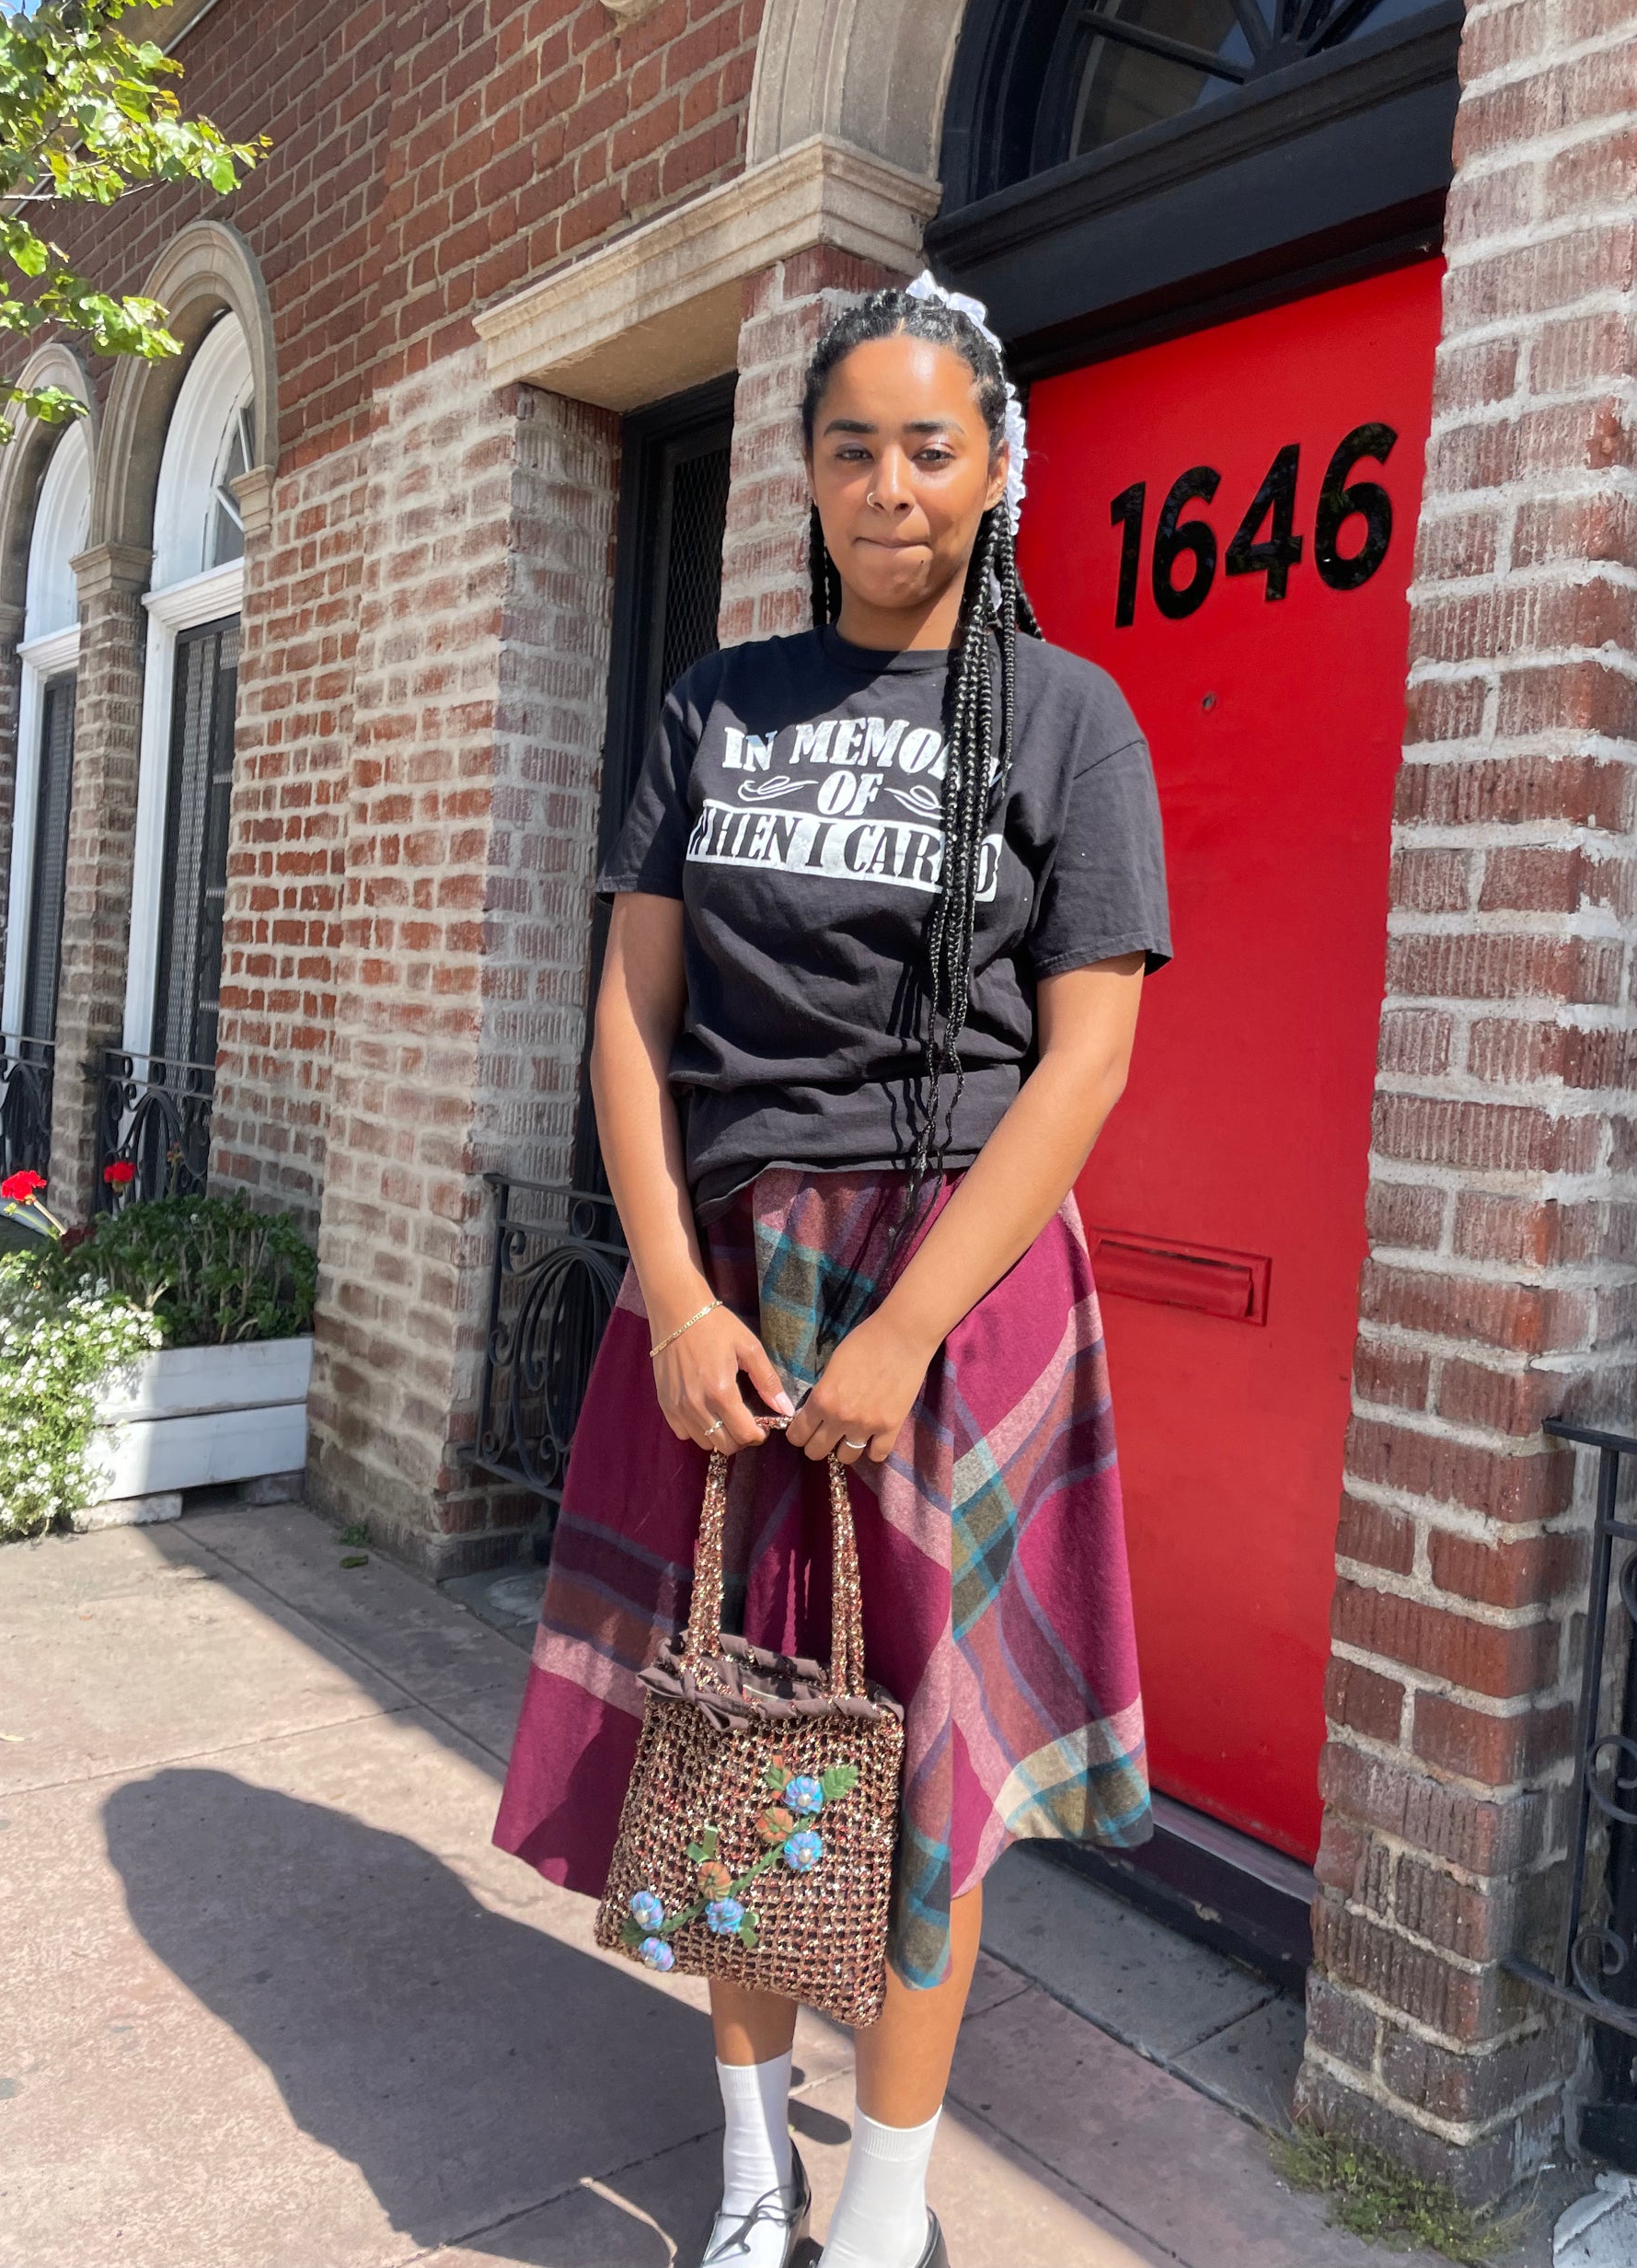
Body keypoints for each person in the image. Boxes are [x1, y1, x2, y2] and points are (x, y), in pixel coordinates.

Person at [492, 274, 1170, 2268]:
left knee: (919, 1763)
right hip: (722, 1279)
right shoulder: (713, 704)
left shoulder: (1068, 718)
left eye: (930, 444)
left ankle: (885, 2200)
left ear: (997, 467)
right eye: (851, 444)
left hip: (949, 1284)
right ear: (801, 466)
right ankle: (745, 2172)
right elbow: (627, 1017)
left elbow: (1091, 1053)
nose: (888, 484)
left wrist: (898, 1326)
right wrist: (680, 1296)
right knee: (725, 1713)